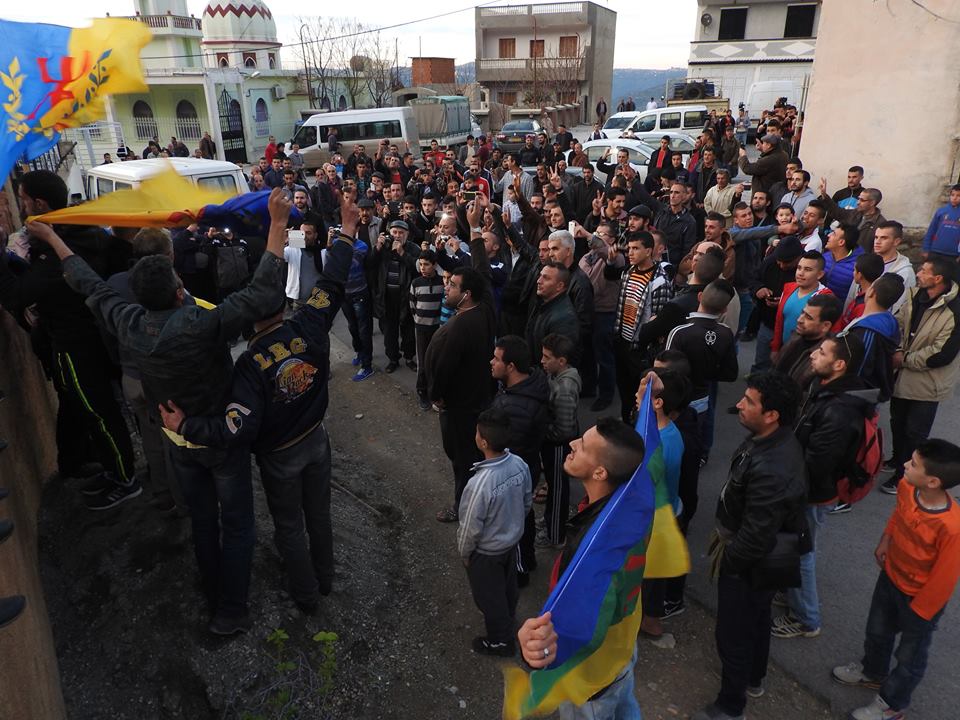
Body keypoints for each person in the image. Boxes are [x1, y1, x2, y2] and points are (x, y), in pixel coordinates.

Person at [31, 189, 291, 635]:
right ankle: (231, 608)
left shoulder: (127, 321)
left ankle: (212, 592)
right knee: (238, 522)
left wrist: (53, 240)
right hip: (219, 440)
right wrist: (278, 223)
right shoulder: (201, 323)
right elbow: (262, 289)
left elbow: (87, 283)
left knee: (204, 522)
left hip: (178, 442)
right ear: (178, 290)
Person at [158, 205, 359, 615]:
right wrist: (348, 231)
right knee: (319, 517)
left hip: (280, 456)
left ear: (250, 318)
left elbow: (236, 428)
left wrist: (188, 425)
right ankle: (325, 578)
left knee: (289, 527)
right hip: (317, 441)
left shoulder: (249, 366)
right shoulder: (309, 324)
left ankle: (306, 596)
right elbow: (333, 282)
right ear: (282, 308)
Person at [2, 170, 138, 509]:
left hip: (78, 348)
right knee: (94, 411)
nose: (20, 208)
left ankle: (125, 478)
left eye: (22, 201)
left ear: (39, 204)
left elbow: (18, 295)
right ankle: (112, 468)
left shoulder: (59, 251)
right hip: (86, 342)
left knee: (99, 414)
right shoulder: (82, 232)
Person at [517, 418, 649, 720]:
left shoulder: (596, 557)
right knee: (626, 703)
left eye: (584, 445)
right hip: (622, 653)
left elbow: (580, 631)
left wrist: (539, 650)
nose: (573, 444)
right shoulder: (632, 503)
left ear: (600, 472)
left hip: (592, 680)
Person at [693, 372, 807, 720]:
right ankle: (753, 678)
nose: (739, 404)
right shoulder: (770, 440)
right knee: (757, 619)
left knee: (734, 632)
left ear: (771, 414)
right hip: (762, 562)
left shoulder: (773, 465)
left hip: (751, 562)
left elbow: (756, 534)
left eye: (750, 401)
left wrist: (731, 564)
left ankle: (730, 706)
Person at [831, 439, 960, 720]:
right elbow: (898, 515)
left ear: (934, 482)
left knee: (909, 657)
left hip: (919, 601)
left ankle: (892, 704)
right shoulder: (907, 487)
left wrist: (921, 613)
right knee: (877, 631)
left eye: (913, 464)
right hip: (890, 578)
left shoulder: (951, 526)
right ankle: (873, 671)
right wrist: (886, 539)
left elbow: (945, 577)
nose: (904, 465)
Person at [772, 334, 876, 640]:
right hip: (807, 487)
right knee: (797, 546)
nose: (814, 355)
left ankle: (806, 617)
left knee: (802, 551)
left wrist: (788, 485)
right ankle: (791, 593)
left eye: (822, 352)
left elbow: (819, 463)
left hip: (812, 493)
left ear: (839, 364)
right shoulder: (829, 390)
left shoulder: (839, 409)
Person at [457, 406, 532, 657]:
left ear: (483, 441)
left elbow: (470, 526)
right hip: (511, 544)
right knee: (508, 588)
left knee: (489, 598)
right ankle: (509, 618)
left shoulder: (479, 483)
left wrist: (465, 553)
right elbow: (526, 501)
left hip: (486, 553)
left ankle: (501, 640)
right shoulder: (520, 465)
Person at [883, 256, 960, 494]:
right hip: (903, 375)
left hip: (928, 383)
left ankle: (903, 477)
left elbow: (941, 354)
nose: (918, 273)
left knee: (915, 432)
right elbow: (898, 323)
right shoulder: (914, 295)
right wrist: (897, 349)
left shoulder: (954, 310)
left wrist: (904, 359)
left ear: (937, 279)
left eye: (923, 271)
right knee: (897, 421)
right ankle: (898, 460)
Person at [426, 267, 498, 522]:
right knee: (475, 457)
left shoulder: (460, 326)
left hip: (459, 407)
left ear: (466, 294)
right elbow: (485, 283)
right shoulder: (485, 311)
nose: (446, 287)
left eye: (452, 285)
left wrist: (436, 394)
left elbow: (444, 366)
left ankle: (463, 508)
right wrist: (475, 230)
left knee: (462, 459)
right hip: (479, 400)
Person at [488, 335, 550, 585]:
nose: (491, 362)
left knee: (514, 522)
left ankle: (520, 571)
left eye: (496, 358)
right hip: (527, 468)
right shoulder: (527, 388)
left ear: (511, 367)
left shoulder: (515, 407)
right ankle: (528, 559)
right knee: (523, 516)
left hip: (515, 474)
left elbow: (508, 449)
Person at [606, 231, 675, 423]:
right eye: (629, 248)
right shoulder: (629, 271)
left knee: (640, 391)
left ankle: (639, 425)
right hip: (623, 341)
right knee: (624, 386)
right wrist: (611, 261)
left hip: (640, 348)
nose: (630, 252)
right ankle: (627, 417)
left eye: (635, 248)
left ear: (649, 251)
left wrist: (646, 343)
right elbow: (609, 275)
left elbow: (659, 321)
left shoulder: (659, 281)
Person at [665, 280, 739, 454]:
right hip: (702, 399)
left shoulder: (680, 332)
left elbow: (666, 373)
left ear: (699, 297)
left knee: (671, 444)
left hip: (676, 400)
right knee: (693, 440)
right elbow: (730, 373)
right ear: (724, 310)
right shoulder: (725, 333)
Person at [538, 333, 581, 549]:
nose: (542, 361)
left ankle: (556, 535)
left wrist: (545, 434)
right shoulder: (557, 377)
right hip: (554, 442)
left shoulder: (564, 388)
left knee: (557, 489)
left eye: (547, 357)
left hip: (558, 445)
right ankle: (550, 523)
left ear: (561, 361)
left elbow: (564, 428)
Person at [841, 273, 905, 404]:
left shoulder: (869, 330)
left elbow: (861, 365)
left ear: (871, 292)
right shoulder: (890, 320)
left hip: (856, 395)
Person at [370, 219, 419, 373]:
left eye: (401, 233)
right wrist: (377, 247)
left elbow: (418, 268)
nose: (397, 236)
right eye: (394, 232)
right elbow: (370, 264)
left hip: (406, 298)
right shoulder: (383, 247)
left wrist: (402, 253)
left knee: (408, 332)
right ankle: (393, 359)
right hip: (387, 298)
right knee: (389, 333)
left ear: (407, 235)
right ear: (389, 233)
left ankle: (409, 357)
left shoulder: (413, 248)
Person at [750, 236, 803, 373]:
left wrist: (784, 302)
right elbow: (754, 279)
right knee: (761, 364)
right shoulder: (770, 262)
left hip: (792, 329)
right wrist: (759, 289)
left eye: (786, 263)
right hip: (768, 323)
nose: (781, 266)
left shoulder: (804, 270)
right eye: (779, 262)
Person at [774, 293, 842, 393]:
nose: (799, 320)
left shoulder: (824, 361)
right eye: (802, 313)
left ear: (825, 326)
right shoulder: (796, 336)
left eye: (808, 317)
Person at [772, 251, 833, 355]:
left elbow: (830, 334)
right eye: (799, 268)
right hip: (784, 350)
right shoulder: (788, 288)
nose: (800, 273)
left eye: (807, 269)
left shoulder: (826, 298)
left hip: (806, 356)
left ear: (820, 274)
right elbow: (779, 320)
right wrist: (775, 348)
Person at [409, 250, 445, 409]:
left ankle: (434, 392)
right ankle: (422, 392)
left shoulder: (442, 282)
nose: (423, 268)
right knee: (423, 362)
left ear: (434, 265)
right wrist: (418, 320)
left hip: (437, 328)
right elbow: (412, 305)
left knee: (435, 361)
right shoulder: (416, 283)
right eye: (421, 264)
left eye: (426, 264)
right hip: (421, 328)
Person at [526, 262, 579, 365]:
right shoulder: (542, 303)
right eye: (540, 276)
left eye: (546, 278)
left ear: (559, 286)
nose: (538, 281)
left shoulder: (564, 319)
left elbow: (557, 363)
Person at [817, 180, 886, 254]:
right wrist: (824, 195)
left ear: (872, 203)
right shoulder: (854, 213)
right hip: (842, 255)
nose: (858, 202)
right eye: (859, 198)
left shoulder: (881, 224)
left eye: (862, 200)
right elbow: (837, 212)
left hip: (860, 260)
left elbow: (877, 250)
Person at [872, 221, 916, 313]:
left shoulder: (905, 273)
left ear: (896, 241)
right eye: (876, 237)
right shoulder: (869, 262)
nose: (877, 242)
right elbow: (853, 294)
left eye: (884, 238)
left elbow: (900, 307)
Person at [822, 223, 864, 301]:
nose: (829, 235)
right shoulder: (824, 257)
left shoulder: (856, 267)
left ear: (841, 242)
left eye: (834, 234)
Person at [922, 183, 960, 261]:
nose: (954, 198)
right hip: (935, 250)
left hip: (954, 254)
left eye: (958, 196)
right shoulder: (941, 211)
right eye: (952, 195)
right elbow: (931, 230)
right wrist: (926, 249)